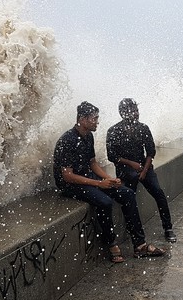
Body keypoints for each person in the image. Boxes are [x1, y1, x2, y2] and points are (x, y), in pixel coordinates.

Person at [53, 101, 165, 263]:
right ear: (82, 119)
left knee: (127, 193)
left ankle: (140, 245)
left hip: (88, 176)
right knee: (104, 202)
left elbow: (92, 163)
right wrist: (99, 184)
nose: (97, 122)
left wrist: (108, 179)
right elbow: (67, 176)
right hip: (71, 185)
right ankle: (111, 243)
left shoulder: (88, 136)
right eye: (94, 118)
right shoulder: (67, 140)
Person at [106, 98, 177, 243]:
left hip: (144, 167)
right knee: (128, 197)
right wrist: (131, 164)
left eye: (137, 110)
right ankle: (134, 231)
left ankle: (168, 228)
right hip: (125, 170)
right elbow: (112, 156)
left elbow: (151, 152)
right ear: (123, 113)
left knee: (159, 193)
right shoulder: (113, 131)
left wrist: (144, 171)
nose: (136, 113)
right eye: (132, 111)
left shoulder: (143, 128)